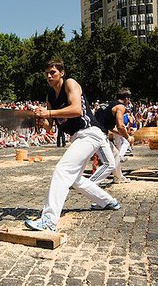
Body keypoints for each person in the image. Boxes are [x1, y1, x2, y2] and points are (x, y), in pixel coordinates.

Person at [25, 60, 121, 232]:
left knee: (62, 170)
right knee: (75, 179)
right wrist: (41, 119)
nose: (49, 76)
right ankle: (108, 201)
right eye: (46, 73)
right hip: (77, 137)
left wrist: (49, 113)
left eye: (53, 72)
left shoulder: (70, 84)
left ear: (62, 73)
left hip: (90, 132)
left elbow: (76, 109)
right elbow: (50, 125)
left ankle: (49, 220)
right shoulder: (50, 96)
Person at [94, 88, 134, 183]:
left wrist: (125, 134)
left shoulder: (108, 105)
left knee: (115, 153)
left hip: (95, 131)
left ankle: (118, 177)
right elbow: (120, 126)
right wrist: (128, 137)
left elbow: (112, 128)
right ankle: (89, 184)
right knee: (108, 164)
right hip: (97, 134)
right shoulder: (120, 107)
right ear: (126, 98)